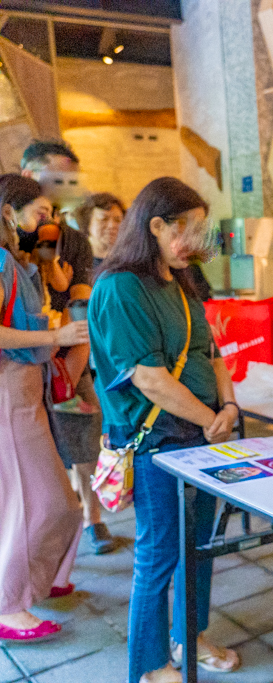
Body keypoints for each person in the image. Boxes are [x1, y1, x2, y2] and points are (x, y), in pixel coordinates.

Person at [89, 177, 241, 683]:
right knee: (158, 556)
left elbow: (212, 351)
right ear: (156, 226)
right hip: (158, 441)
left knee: (198, 547)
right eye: (189, 229)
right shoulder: (119, 287)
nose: (199, 242)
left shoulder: (183, 281)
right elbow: (149, 379)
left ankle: (189, 635)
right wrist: (211, 417)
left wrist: (230, 406)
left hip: (203, 437)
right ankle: (150, 666)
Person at [0, 174, 89, 642]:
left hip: (26, 392)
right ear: (9, 212)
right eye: (42, 212)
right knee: (41, 502)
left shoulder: (20, 263)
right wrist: (54, 336)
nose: (50, 222)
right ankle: (8, 605)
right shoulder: (0, 262)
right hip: (9, 395)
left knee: (50, 501)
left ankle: (46, 578)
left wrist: (51, 269)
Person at [23, 141, 117, 554]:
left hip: (65, 357)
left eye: (71, 179)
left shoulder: (72, 241)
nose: (65, 187)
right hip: (20, 358)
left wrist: (73, 367)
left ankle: (91, 519)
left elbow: (77, 298)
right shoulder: (13, 240)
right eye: (56, 176)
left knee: (84, 439)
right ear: (28, 175)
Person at [74, 192, 125, 269]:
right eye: (103, 219)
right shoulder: (76, 261)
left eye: (117, 220)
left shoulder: (127, 262)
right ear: (87, 223)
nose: (112, 225)